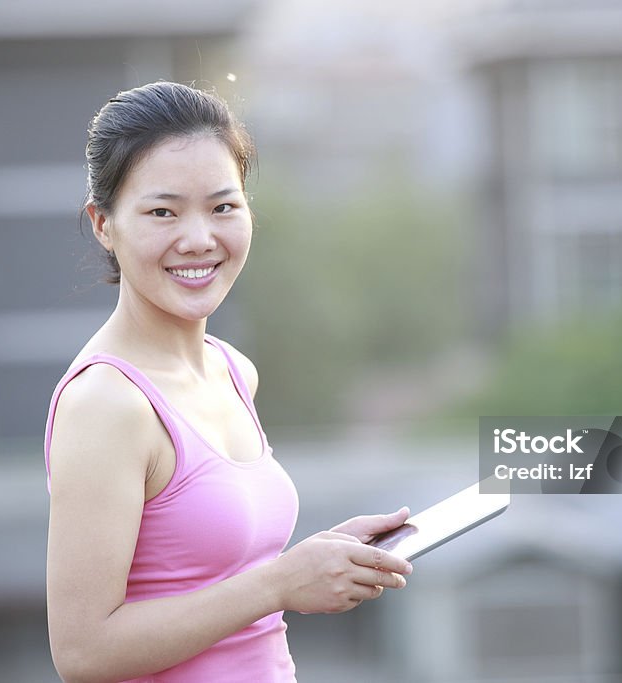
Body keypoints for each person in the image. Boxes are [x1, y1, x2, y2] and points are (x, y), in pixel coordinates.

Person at [43, 81, 412, 683]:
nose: (198, 239)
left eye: (222, 206)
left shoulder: (233, 370)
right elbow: (84, 653)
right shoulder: (106, 403)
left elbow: (210, 578)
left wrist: (312, 562)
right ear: (104, 225)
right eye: (163, 211)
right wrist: (281, 583)